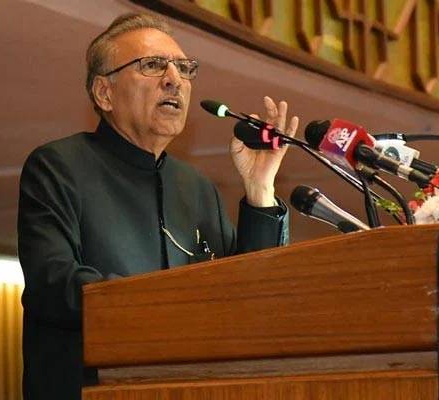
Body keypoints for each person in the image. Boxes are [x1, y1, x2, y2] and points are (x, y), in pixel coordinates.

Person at [17, 13, 299, 400]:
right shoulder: (58, 167)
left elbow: (252, 303)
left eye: (184, 68)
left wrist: (260, 189)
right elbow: (54, 287)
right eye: (152, 65)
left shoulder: (198, 188)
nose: (175, 79)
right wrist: (172, 308)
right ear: (104, 93)